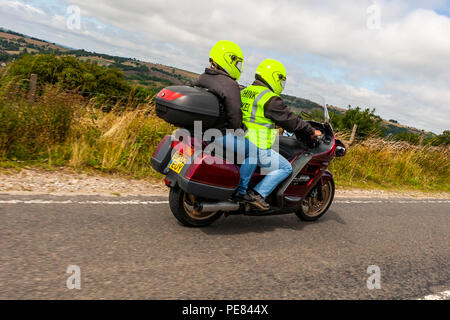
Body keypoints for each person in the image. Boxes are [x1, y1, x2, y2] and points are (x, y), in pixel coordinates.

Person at [235, 59, 322, 210]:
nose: (282, 83)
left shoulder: (246, 91)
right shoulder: (269, 98)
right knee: (286, 168)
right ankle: (258, 194)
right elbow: (289, 120)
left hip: (240, 141)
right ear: (274, 77)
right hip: (257, 146)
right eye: (281, 79)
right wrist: (310, 131)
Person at [193, 40, 244, 133]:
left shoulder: (203, 77)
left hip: (197, 131)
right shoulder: (230, 84)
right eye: (237, 63)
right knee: (252, 148)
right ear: (229, 60)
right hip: (219, 134)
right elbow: (235, 117)